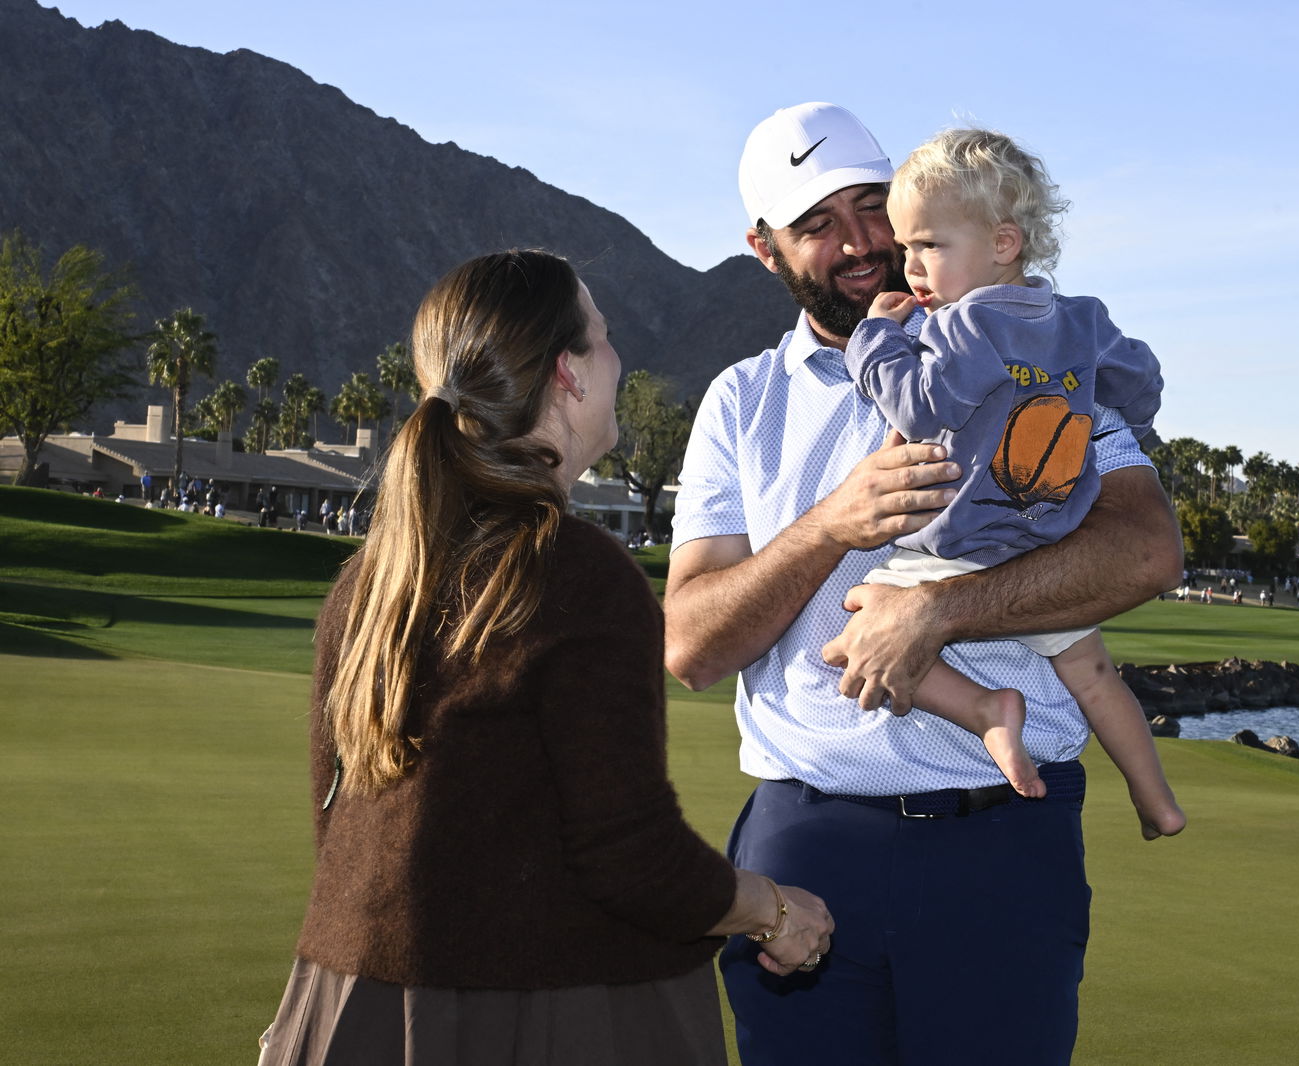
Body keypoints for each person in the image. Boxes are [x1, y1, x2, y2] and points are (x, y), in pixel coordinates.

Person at [665, 103, 1184, 1065]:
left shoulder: (1026, 351)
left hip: (1002, 833)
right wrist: (832, 524)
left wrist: (938, 612)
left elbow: (1147, 550)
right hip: (805, 841)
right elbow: (692, 644)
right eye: (818, 225)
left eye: (873, 209)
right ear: (764, 249)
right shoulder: (744, 400)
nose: (863, 245)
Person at [259, 250, 833, 1066]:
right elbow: (633, 858)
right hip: (539, 1022)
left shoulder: (372, 579)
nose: (614, 358)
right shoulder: (575, 573)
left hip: (356, 1008)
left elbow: (338, 828)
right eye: (601, 338)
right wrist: (773, 912)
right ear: (568, 374)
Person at [838, 127, 1184, 838]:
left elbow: (919, 405)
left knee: (855, 623)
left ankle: (986, 710)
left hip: (958, 544)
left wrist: (873, 339)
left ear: (1003, 244)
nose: (911, 268)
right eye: (905, 248)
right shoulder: (1080, 319)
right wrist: (1112, 418)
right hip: (1046, 544)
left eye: (930, 246)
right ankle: (1158, 803)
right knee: (1092, 674)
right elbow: (1140, 379)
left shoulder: (962, 327)